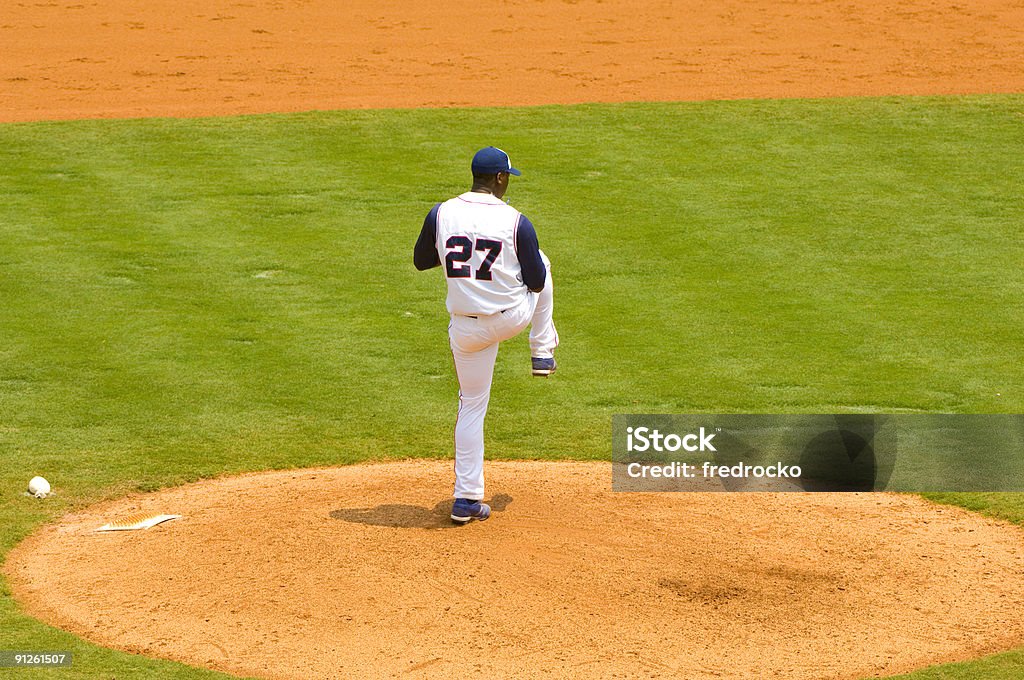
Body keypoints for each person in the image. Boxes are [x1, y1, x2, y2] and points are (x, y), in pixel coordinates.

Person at [414, 146, 558, 524]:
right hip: (510, 318)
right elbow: (537, 282)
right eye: (508, 176)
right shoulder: (516, 221)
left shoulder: (441, 212)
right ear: (499, 178)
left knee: (471, 405)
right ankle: (542, 351)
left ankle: (466, 499)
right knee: (543, 262)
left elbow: (421, 260)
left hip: (464, 328)